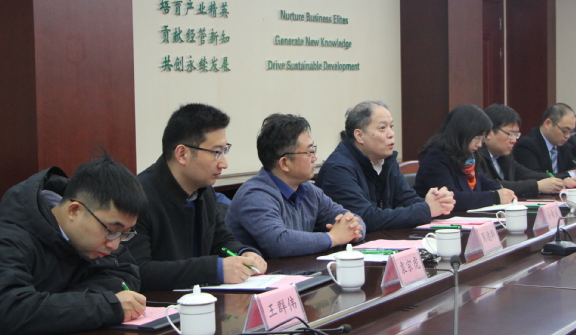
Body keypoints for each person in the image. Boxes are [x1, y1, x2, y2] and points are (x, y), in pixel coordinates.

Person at [0, 153, 149, 335]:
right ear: (74, 211)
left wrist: (63, 306)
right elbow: (6, 311)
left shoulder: (98, 241)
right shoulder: (9, 240)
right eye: (112, 230)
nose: (114, 244)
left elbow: (125, 275)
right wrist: (102, 306)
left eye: (124, 234)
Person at [128, 103, 267, 291]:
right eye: (216, 152)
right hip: (160, 305)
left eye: (224, 151)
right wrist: (214, 269)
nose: (224, 163)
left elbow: (222, 243)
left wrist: (243, 253)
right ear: (182, 154)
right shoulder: (138, 197)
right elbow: (139, 271)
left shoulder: (204, 191)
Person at [226, 114, 365, 259]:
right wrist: (334, 237)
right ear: (285, 163)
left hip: (298, 270)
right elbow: (279, 243)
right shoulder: (255, 195)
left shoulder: (308, 190)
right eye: (309, 152)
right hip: (264, 272)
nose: (315, 158)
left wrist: (353, 230)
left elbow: (353, 218)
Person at [316, 101, 455, 232]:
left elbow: (405, 199)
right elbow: (364, 218)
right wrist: (426, 209)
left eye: (391, 127)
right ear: (359, 135)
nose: (391, 134)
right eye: (382, 128)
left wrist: (436, 203)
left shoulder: (387, 160)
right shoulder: (338, 169)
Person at [414, 105, 517, 211]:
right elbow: (452, 198)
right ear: (463, 133)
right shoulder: (435, 158)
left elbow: (483, 182)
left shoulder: (467, 155)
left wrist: (503, 192)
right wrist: (494, 197)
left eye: (482, 139)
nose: (479, 144)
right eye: (478, 138)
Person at [478, 104, 576, 196]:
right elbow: (491, 185)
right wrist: (537, 186)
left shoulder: (505, 155)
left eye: (516, 135)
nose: (514, 140)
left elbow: (525, 173)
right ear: (489, 132)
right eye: (510, 134)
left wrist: (562, 181)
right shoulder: (476, 155)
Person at [513, 103, 576, 179]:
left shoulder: (563, 145)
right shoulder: (527, 146)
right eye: (565, 131)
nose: (567, 136)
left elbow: (573, 166)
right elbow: (536, 177)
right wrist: (571, 175)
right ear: (548, 123)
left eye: (571, 132)